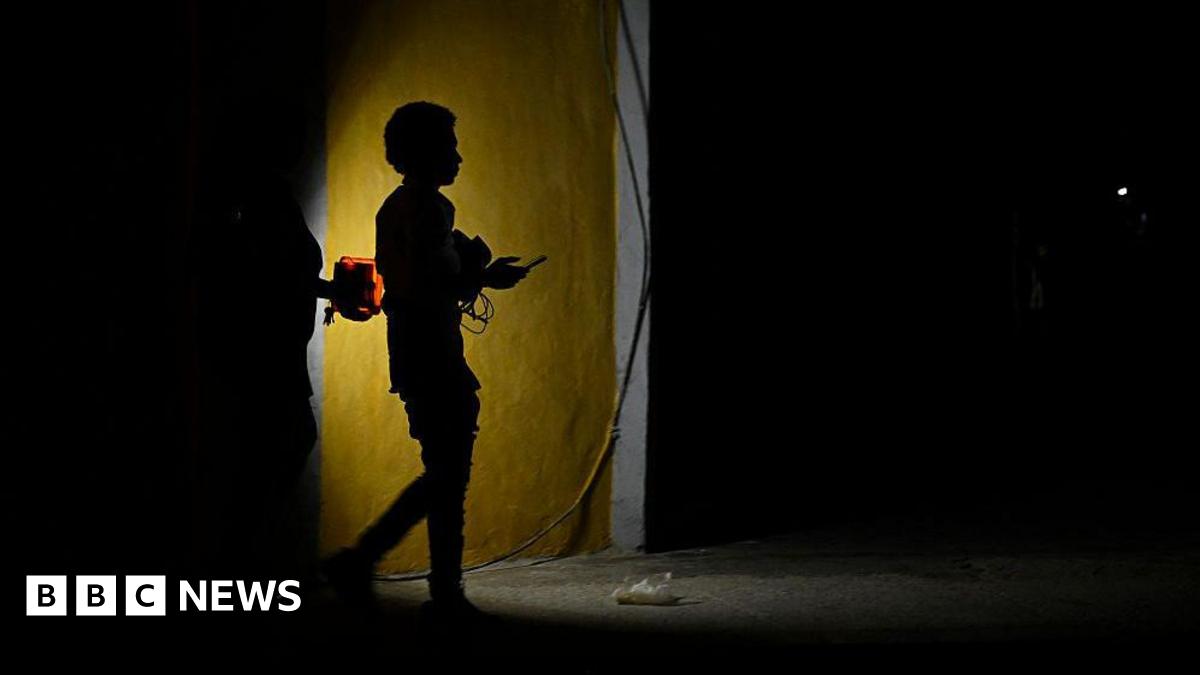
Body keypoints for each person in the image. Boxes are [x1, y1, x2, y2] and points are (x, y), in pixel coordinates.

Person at [323, 101, 528, 618]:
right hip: (431, 350)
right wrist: (486, 276)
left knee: (444, 469)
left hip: (413, 348)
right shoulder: (431, 210)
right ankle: (420, 581)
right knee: (448, 472)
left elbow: (414, 278)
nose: (458, 157)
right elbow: (433, 281)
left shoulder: (395, 206)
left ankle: (407, 575)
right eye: (449, 147)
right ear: (426, 152)